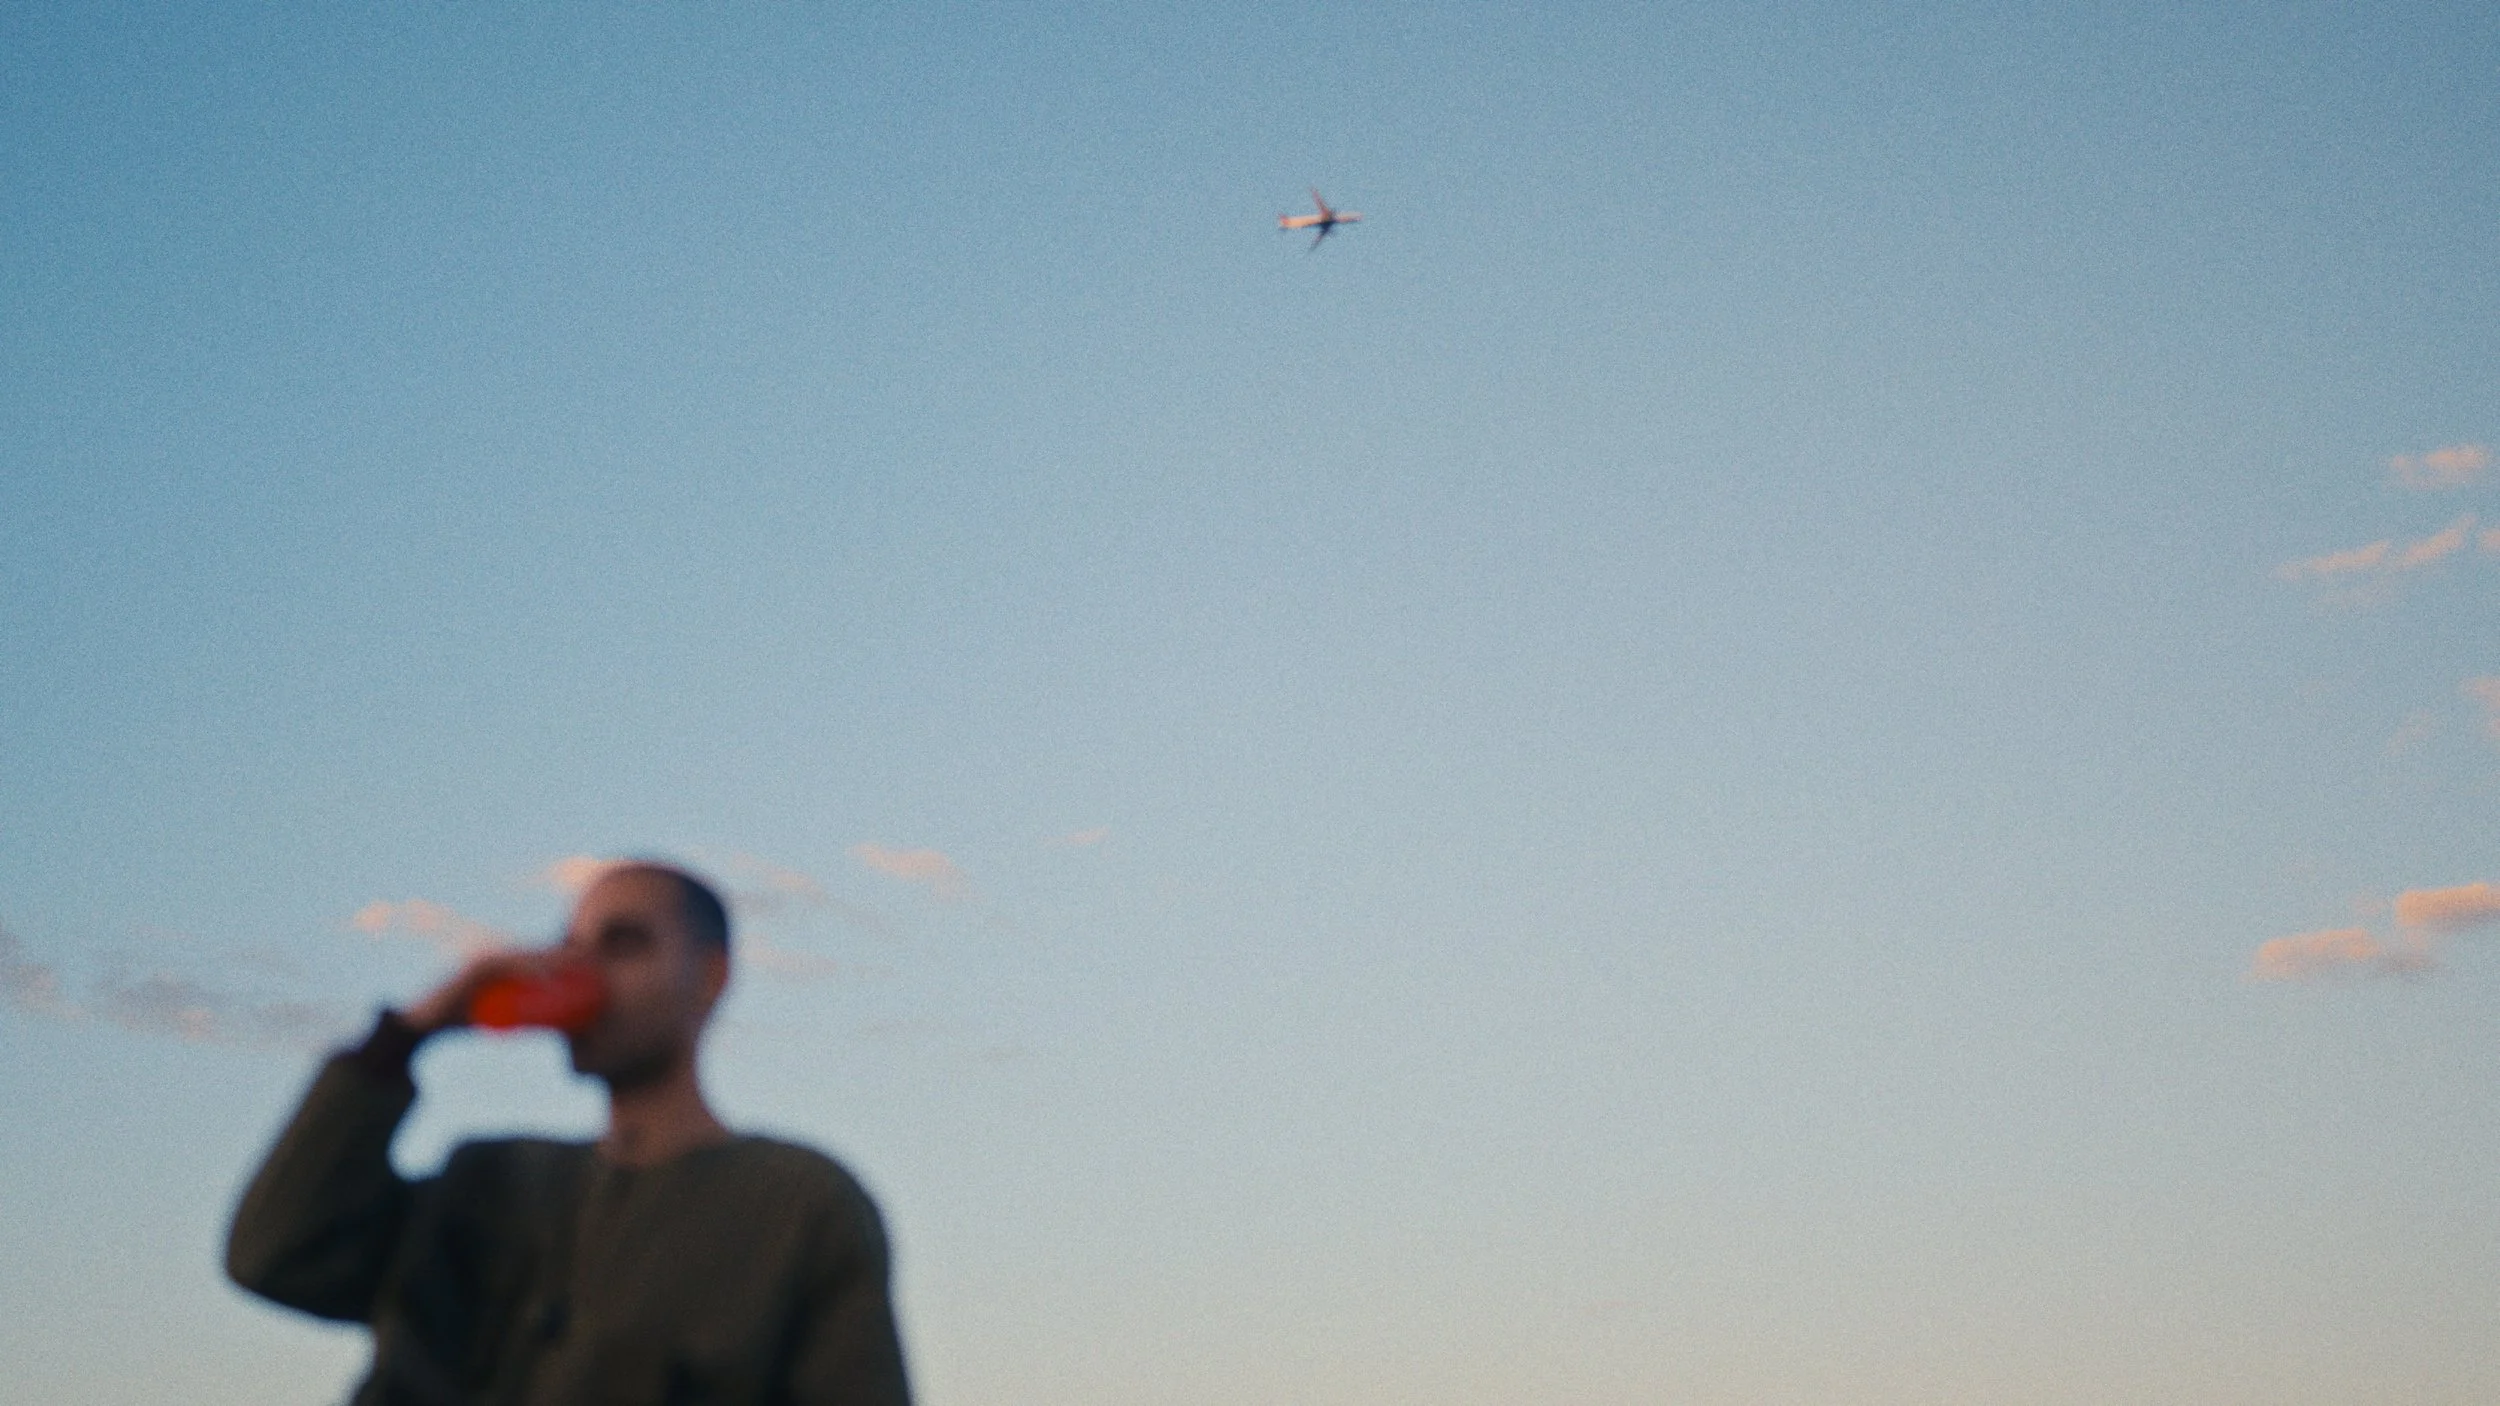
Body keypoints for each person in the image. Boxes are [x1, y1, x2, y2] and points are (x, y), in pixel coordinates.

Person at [227, 861, 911, 1406]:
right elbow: (276, 1255)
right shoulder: (480, 1181)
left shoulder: (798, 1206)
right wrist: (413, 1030)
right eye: (569, 948)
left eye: (623, 945)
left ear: (710, 976)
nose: (584, 975)